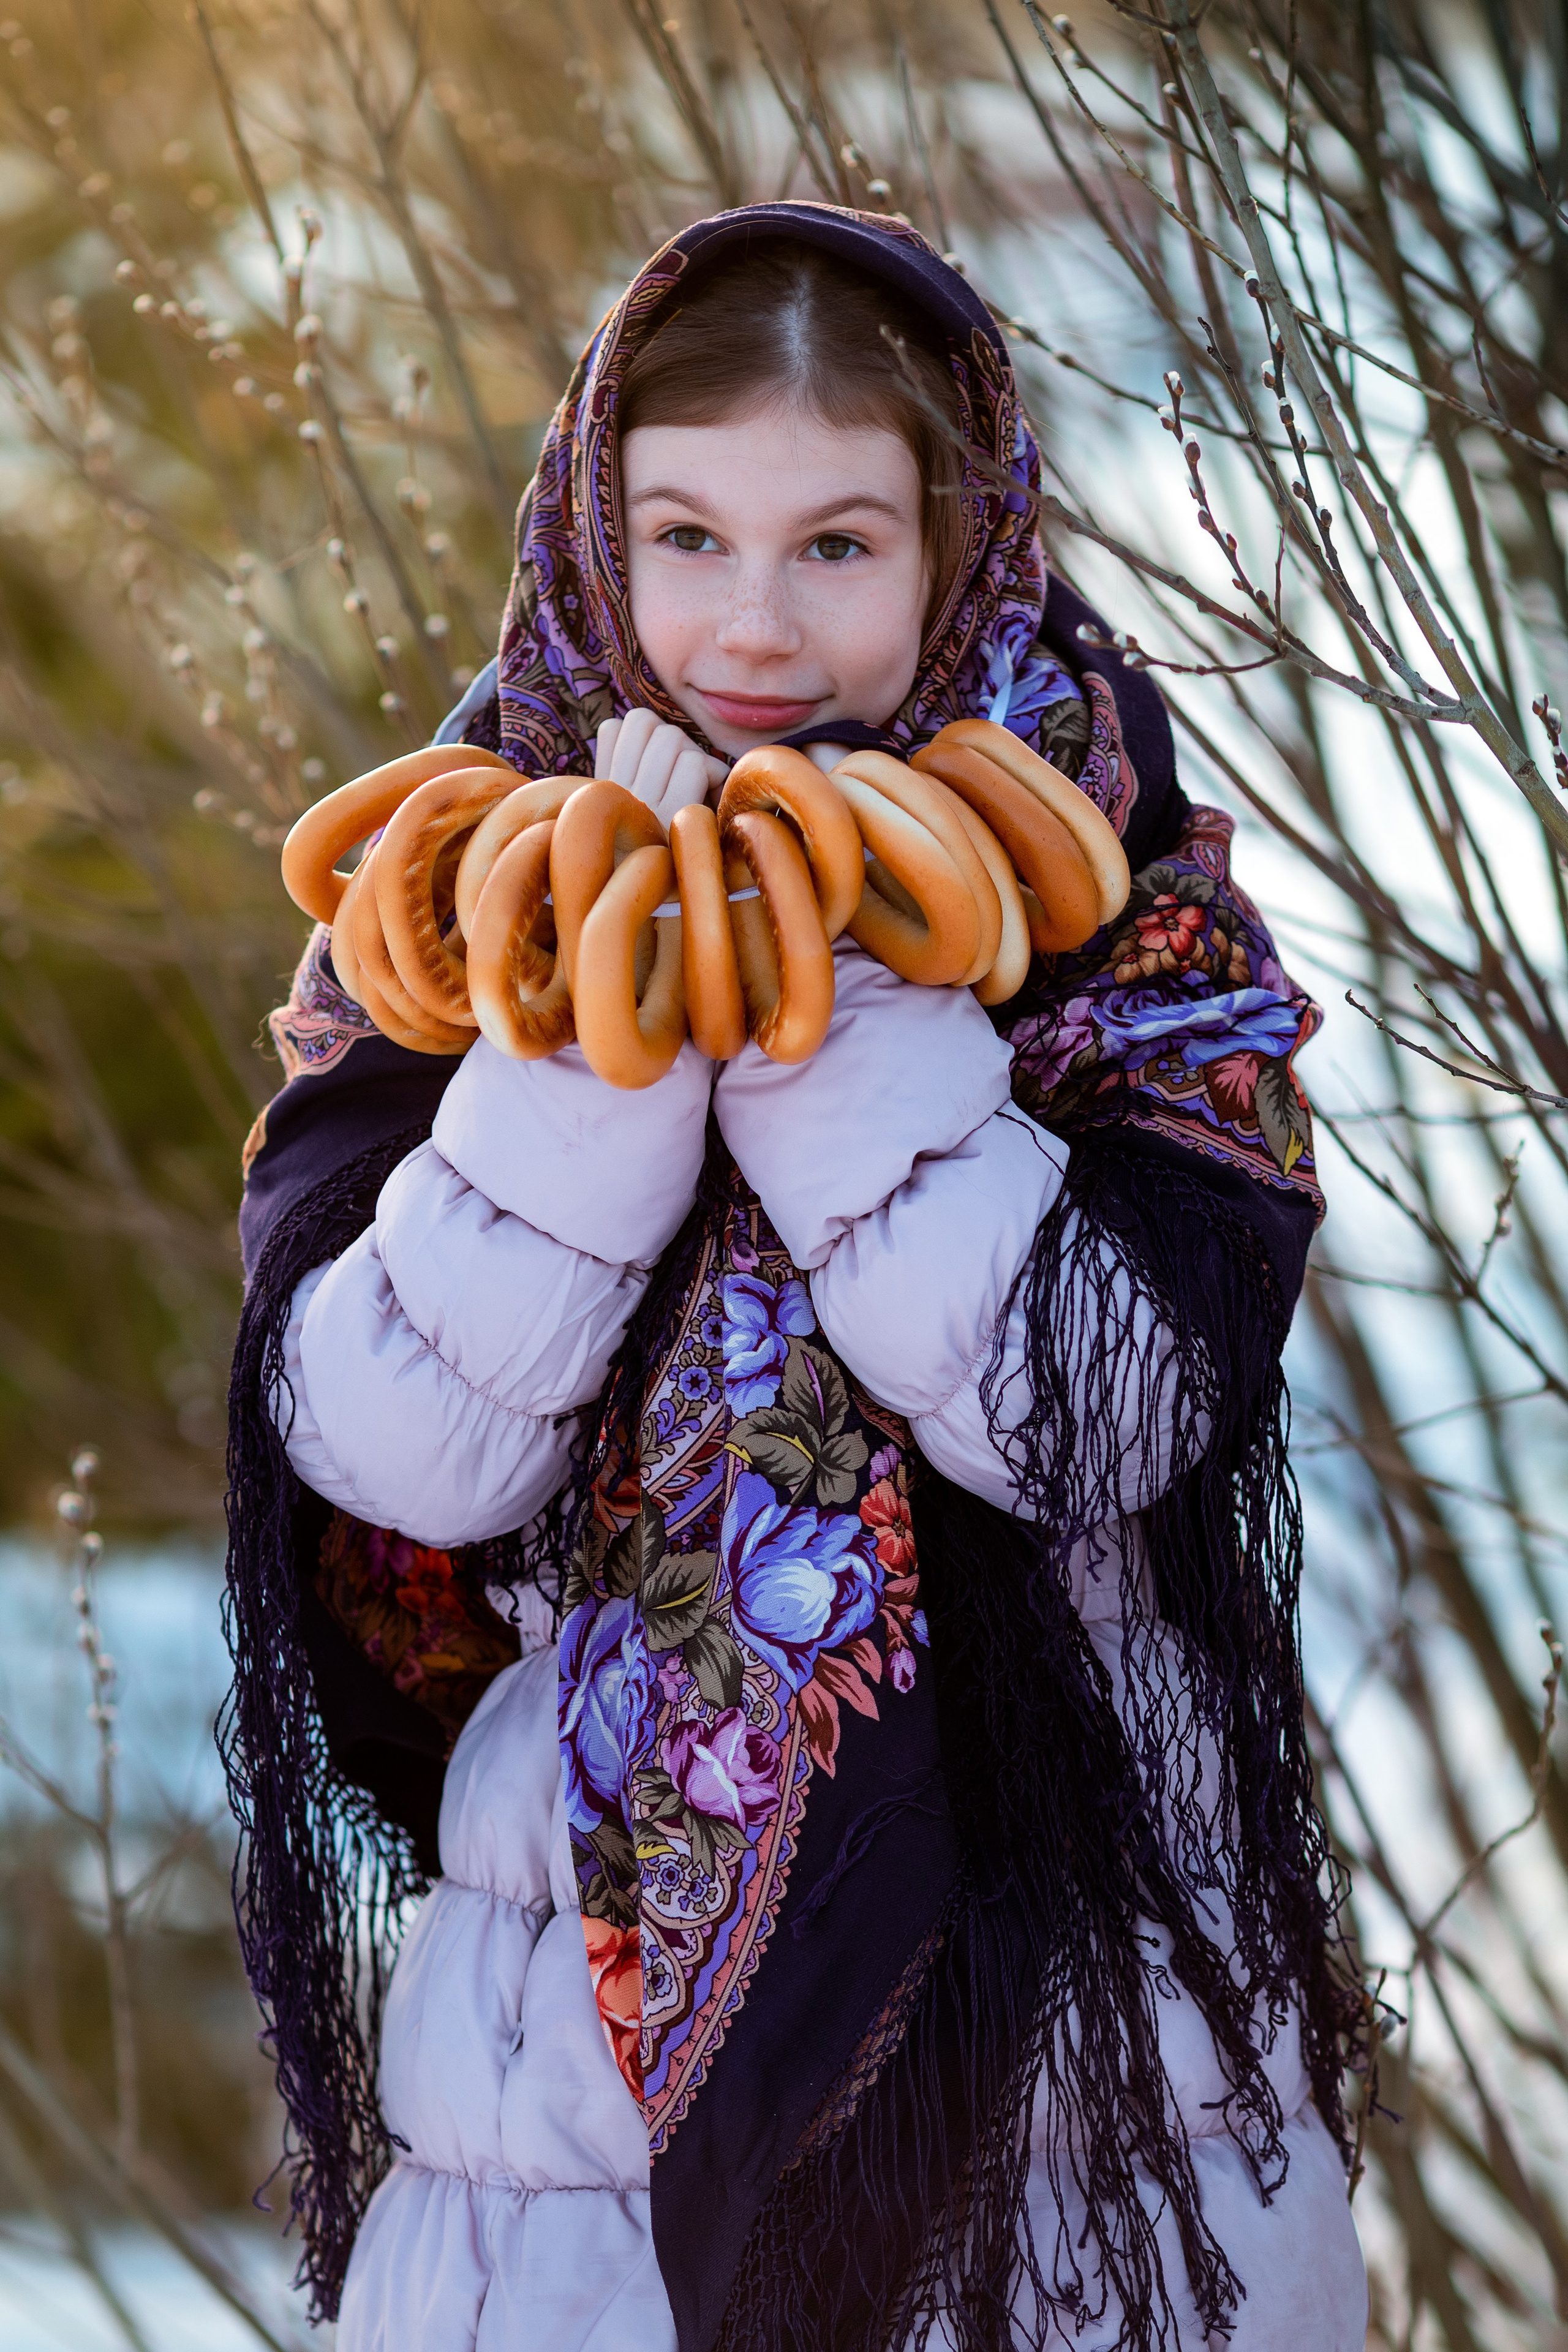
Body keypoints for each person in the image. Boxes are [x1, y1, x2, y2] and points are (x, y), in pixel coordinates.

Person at [224, 202, 1369, 2351]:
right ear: (596, 523)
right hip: (566, 2043)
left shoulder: (1114, 888)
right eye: (684, 535)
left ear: (961, 543)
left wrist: (826, 992)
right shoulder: (461, 891)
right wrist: (606, 1018)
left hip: (1069, 2019)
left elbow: (1093, 1412)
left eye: (837, 545)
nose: (750, 625)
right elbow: (392, 1447)